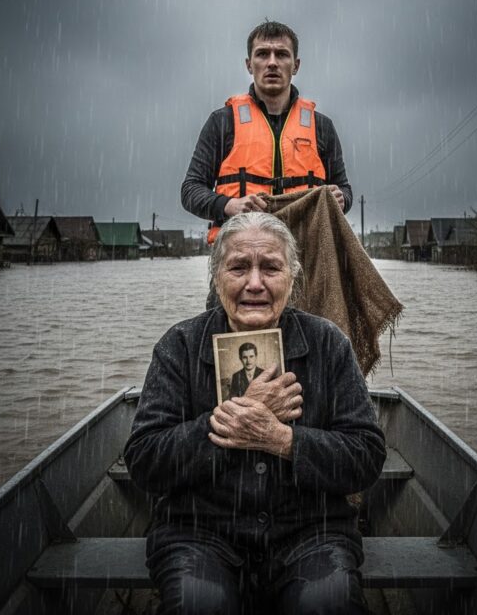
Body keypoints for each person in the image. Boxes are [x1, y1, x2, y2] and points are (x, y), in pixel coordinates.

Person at [124, 212, 386, 615]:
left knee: (326, 605)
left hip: (313, 534)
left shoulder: (329, 343)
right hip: (198, 535)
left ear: (292, 278)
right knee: (200, 606)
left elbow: (366, 456)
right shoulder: (179, 345)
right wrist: (236, 420)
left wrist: (282, 439)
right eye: (239, 267)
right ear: (216, 278)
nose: (255, 284)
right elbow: (145, 462)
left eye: (271, 268)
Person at [181, 20, 352, 245]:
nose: (272, 63)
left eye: (282, 54)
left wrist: (342, 200)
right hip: (240, 251)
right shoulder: (222, 122)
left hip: (306, 254)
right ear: (249, 65)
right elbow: (190, 190)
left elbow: (345, 190)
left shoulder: (322, 127)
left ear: (296, 65)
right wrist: (229, 205)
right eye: (262, 54)